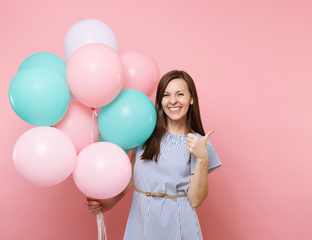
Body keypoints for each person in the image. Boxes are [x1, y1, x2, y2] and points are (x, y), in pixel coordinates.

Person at [85, 70, 222, 239]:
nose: (173, 101)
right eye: (166, 95)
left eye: (180, 94)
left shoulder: (199, 143)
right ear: (160, 100)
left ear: (191, 99)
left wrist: (202, 158)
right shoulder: (145, 132)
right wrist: (111, 202)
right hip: (142, 216)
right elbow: (135, 174)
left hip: (178, 220)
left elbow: (195, 200)